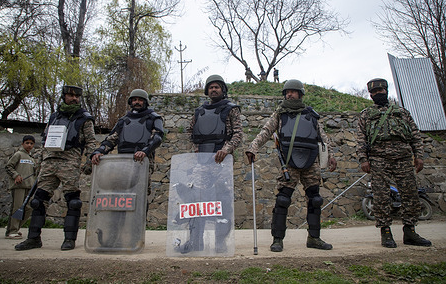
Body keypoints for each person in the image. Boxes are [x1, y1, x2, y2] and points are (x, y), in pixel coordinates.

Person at [246, 79, 337, 252]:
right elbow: (266, 132)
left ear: (300, 94)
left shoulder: (311, 115)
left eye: (293, 91)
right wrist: (253, 148)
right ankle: (277, 239)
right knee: (282, 200)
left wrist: (331, 155)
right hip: (289, 161)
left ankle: (314, 238)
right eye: (287, 92)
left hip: (311, 161)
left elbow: (323, 137)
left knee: (315, 200)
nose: (289, 94)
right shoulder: (280, 115)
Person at [15, 85, 97, 251]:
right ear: (64, 96)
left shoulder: (84, 118)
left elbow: (90, 141)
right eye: (70, 95)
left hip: (69, 161)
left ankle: (69, 239)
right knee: (38, 201)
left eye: (77, 96)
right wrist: (38, 161)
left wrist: (89, 161)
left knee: (73, 201)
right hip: (49, 162)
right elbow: (44, 140)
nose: (74, 98)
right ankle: (33, 238)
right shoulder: (54, 117)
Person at [356, 78, 431, 248]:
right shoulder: (366, 115)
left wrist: (418, 156)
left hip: (403, 158)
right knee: (381, 196)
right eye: (374, 92)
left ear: (386, 91)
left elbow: (415, 135)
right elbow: (361, 139)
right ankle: (386, 232)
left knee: (410, 195)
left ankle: (410, 231)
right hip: (378, 159)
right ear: (370, 94)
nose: (377, 94)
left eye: (380, 91)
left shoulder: (402, 112)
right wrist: (363, 159)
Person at [178, 74, 243, 253]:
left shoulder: (231, 109)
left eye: (217, 87)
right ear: (207, 91)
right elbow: (190, 133)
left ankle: (220, 242)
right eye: (211, 87)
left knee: (222, 203)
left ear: (223, 89)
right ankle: (194, 242)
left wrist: (226, 149)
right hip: (202, 163)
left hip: (222, 162)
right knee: (197, 203)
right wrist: (195, 147)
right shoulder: (199, 111)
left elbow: (238, 134)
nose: (214, 89)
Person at [91, 89, 163, 197]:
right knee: (120, 192)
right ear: (130, 102)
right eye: (134, 100)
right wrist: (99, 151)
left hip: (142, 161)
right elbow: (111, 139)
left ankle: (140, 214)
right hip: (123, 161)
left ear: (145, 102)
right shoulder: (123, 120)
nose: (137, 102)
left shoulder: (153, 118)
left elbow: (157, 138)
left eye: (140, 100)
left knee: (140, 194)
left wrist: (144, 151)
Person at [5, 135, 37, 239]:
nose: (29, 145)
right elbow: (8, 167)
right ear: (22, 144)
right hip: (19, 186)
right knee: (17, 207)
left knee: (28, 208)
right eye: (27, 143)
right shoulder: (18, 154)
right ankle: (12, 231)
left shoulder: (32, 159)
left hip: (29, 186)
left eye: (31, 143)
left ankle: (15, 228)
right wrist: (16, 175)